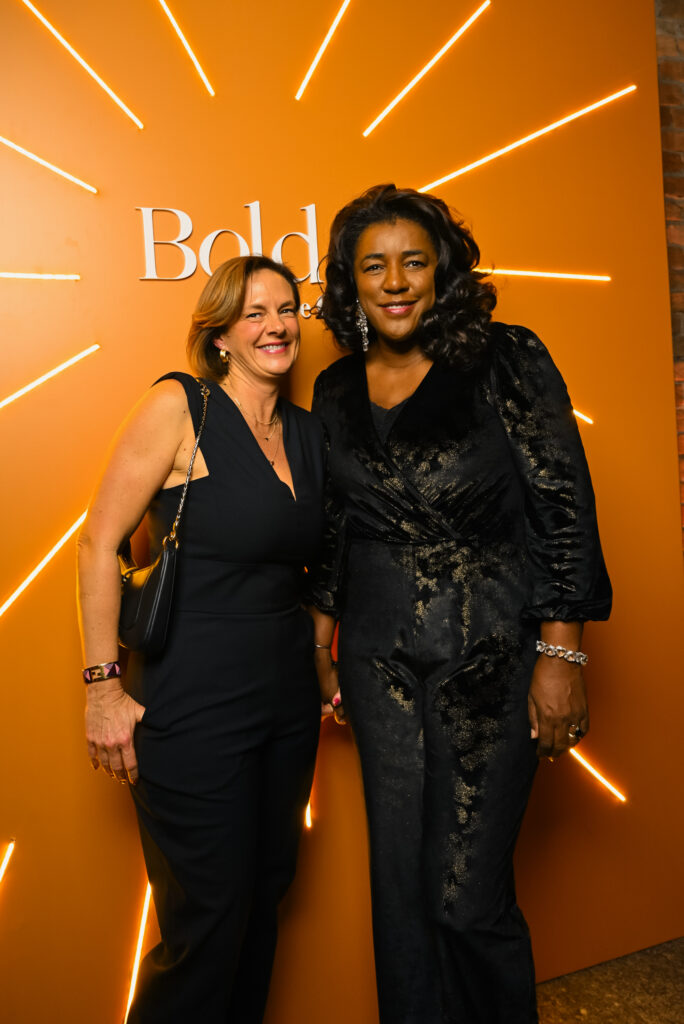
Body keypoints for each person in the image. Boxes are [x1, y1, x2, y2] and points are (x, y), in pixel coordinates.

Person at [308, 184, 612, 1024]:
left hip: (491, 649)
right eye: (374, 265)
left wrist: (561, 655)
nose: (394, 281)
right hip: (376, 657)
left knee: (465, 896)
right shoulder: (334, 389)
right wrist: (318, 644)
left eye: (413, 261)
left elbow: (563, 506)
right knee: (400, 892)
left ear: (441, 271)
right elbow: (335, 525)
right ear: (350, 281)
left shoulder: (507, 357)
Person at [77, 255, 325, 1023]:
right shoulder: (180, 406)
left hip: (287, 702)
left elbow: (319, 567)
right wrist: (102, 689)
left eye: (286, 309)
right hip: (191, 700)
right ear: (219, 335)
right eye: (253, 313)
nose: (276, 326)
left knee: (263, 895)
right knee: (208, 918)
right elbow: (97, 545)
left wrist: (324, 666)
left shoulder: (308, 432)